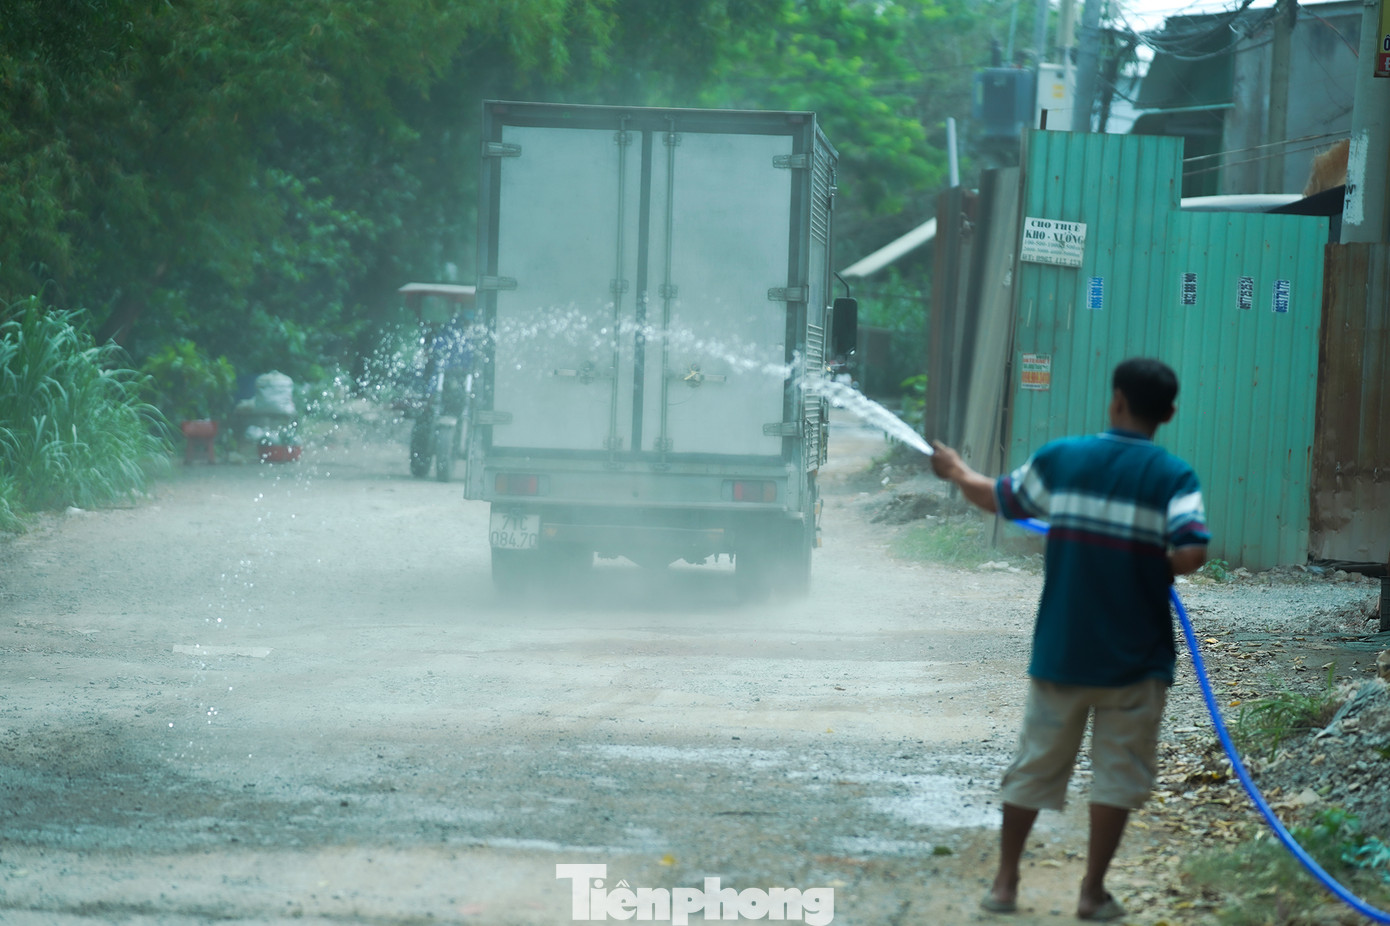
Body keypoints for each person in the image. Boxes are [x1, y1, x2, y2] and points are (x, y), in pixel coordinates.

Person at [929, 357, 1210, 922]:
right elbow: (1193, 551)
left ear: (1115, 401)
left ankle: (1005, 885)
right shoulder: (1174, 477)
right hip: (1138, 659)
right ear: (1170, 414)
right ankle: (1091, 892)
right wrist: (1150, 563)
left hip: (1063, 650)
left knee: (1035, 764)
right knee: (1118, 773)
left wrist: (957, 470)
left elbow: (1000, 499)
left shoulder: (1064, 458)